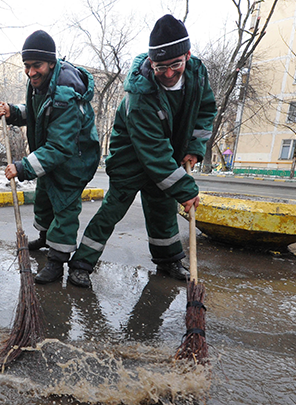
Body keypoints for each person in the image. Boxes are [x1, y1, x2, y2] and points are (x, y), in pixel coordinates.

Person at [70, 15, 217, 287]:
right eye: (161, 67)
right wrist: (185, 189)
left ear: (188, 55)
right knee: (112, 211)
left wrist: (195, 149)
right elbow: (153, 152)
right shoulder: (140, 95)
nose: (169, 73)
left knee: (162, 209)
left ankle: (168, 260)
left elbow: (205, 111)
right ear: (151, 63)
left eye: (176, 64)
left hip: (166, 153)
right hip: (131, 158)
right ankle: (81, 263)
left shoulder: (197, 74)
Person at [0, 30, 100, 286]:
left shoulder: (66, 94)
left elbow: (60, 148)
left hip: (73, 160)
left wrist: (22, 167)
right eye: (27, 66)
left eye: (36, 65)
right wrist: (13, 112)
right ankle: (45, 237)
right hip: (51, 154)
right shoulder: (42, 84)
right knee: (44, 199)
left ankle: (56, 262)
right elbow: (37, 114)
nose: (31, 72)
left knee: (64, 209)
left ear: (51, 63)